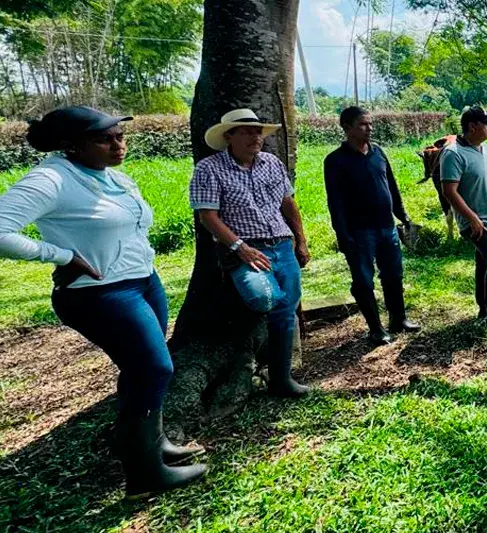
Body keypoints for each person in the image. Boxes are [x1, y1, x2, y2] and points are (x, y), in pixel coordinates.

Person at [0, 106, 206, 498]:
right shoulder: (52, 179)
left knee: (142, 369)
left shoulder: (114, 177)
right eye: (104, 138)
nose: (118, 144)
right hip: (101, 293)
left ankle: (150, 442)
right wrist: (60, 256)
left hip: (143, 282)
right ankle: (144, 476)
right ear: (70, 146)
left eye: (119, 136)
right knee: (154, 369)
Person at [189, 108, 311, 397]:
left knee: (285, 311)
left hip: (281, 243)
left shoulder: (271, 163)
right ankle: (248, 362)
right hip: (245, 247)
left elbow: (288, 204)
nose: (255, 136)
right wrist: (240, 248)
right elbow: (208, 216)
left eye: (258, 131)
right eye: (246, 131)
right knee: (263, 298)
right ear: (228, 136)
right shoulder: (209, 168)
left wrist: (301, 240)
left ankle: (281, 378)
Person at [323, 106, 421, 345]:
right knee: (364, 281)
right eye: (362, 125)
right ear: (347, 128)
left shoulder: (378, 153)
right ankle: (376, 329)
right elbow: (335, 202)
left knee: (393, 275)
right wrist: (343, 235)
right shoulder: (335, 161)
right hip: (359, 232)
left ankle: (398, 319)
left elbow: (392, 187)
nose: (369, 128)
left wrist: (403, 216)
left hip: (386, 227)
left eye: (370, 124)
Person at [438, 106, 487, 325]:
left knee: (484, 263)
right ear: (473, 127)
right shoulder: (453, 154)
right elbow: (449, 192)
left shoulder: (486, 149)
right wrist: (472, 219)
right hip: (477, 221)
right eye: (486, 123)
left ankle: (484, 311)